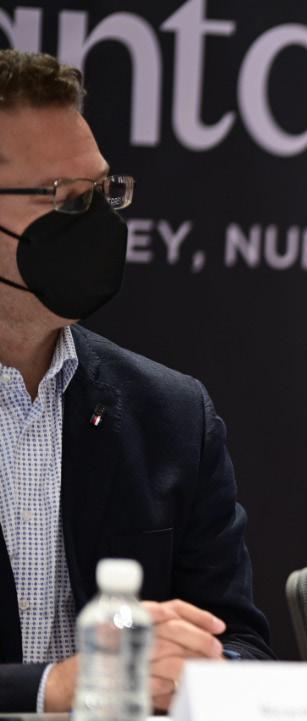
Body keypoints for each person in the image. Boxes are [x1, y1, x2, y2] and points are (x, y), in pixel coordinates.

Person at [0, 50, 272, 712]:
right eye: (63, 199)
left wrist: (197, 667)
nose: (96, 223)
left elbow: (241, 645)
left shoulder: (172, 414)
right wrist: (51, 687)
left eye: (101, 193)